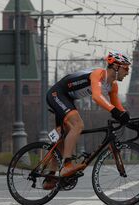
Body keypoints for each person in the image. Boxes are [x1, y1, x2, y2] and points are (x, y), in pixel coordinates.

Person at [44, 51, 132, 189]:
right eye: (126, 68)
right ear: (115, 66)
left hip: (68, 98)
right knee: (78, 125)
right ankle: (66, 165)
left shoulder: (112, 85)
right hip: (57, 94)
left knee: (61, 136)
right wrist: (115, 112)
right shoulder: (98, 74)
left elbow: (117, 106)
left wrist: (129, 120)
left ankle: (50, 177)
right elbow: (97, 97)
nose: (127, 72)